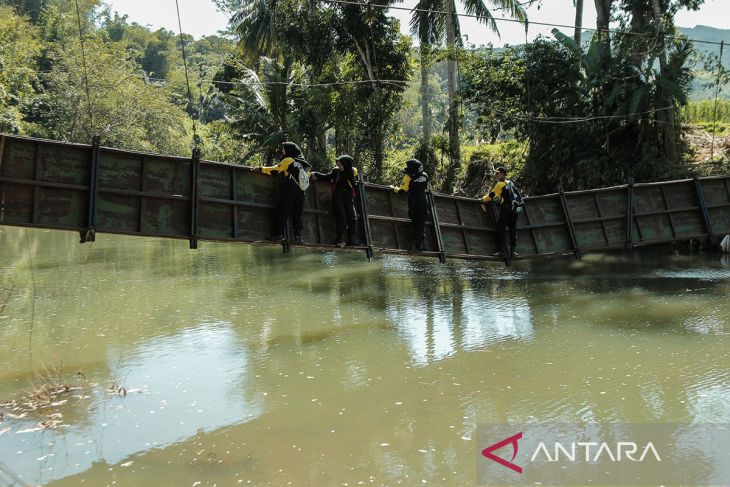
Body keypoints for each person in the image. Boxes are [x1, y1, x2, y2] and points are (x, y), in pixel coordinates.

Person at [260, 141, 311, 244]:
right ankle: (297, 237)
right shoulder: (302, 163)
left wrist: (262, 169)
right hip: (301, 191)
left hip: (290, 189)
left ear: (289, 150)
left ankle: (278, 235)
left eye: (284, 149)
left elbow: (275, 170)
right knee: (297, 213)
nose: (282, 151)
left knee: (283, 210)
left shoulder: (289, 160)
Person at [311, 155, 360, 247]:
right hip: (338, 196)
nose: (339, 166)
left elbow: (354, 185)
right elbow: (327, 177)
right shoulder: (336, 171)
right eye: (338, 164)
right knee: (341, 217)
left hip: (348, 197)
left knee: (352, 217)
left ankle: (351, 239)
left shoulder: (351, 172)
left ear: (346, 165)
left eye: (341, 164)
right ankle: (340, 239)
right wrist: (316, 174)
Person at [391, 158, 429, 251]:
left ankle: (416, 242)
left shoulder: (408, 177)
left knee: (415, 221)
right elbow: (425, 187)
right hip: (423, 202)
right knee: (421, 222)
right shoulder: (425, 175)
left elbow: (401, 192)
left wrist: (393, 188)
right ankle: (420, 242)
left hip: (413, 202)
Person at [481, 166, 518, 257]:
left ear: (502, 174)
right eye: (496, 173)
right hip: (515, 209)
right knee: (513, 229)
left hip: (506, 209)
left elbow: (491, 195)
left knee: (500, 229)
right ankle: (513, 252)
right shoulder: (510, 183)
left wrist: (482, 199)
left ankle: (501, 251)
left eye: (497, 173)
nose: (496, 175)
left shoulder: (500, 184)